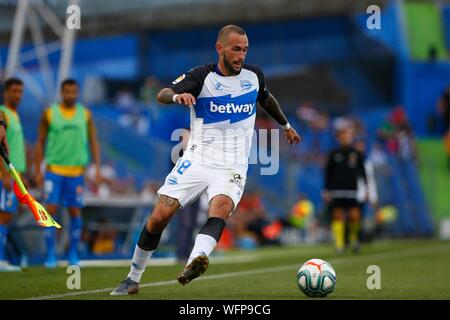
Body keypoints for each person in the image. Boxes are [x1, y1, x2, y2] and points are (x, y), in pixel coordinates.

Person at [111, 25, 301, 295]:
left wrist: (286, 126)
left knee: (220, 207)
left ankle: (195, 261)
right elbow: (162, 94)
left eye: (245, 49)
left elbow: (266, 99)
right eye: (236, 49)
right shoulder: (201, 76)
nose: (241, 55)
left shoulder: (254, 75)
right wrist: (178, 96)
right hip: (198, 159)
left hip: (232, 164)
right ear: (220, 48)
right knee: (160, 216)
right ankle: (133, 277)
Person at [35, 79, 101, 267]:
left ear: (77, 93)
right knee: (51, 211)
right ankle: (50, 254)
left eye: (74, 92)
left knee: (74, 211)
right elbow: (40, 141)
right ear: (61, 93)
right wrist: (37, 169)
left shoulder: (85, 114)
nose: (70, 95)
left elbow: (93, 140)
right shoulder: (49, 113)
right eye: (67, 92)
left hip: (76, 173)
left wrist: (96, 167)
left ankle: (73, 253)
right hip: (54, 170)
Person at [323, 120, 367, 254]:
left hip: (352, 189)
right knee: (337, 216)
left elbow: (362, 172)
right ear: (338, 137)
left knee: (354, 216)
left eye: (347, 135)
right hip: (337, 190)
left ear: (351, 136)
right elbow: (328, 173)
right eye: (342, 135)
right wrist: (326, 190)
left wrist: (366, 189)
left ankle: (354, 240)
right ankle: (340, 244)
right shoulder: (333, 154)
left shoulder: (356, 154)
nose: (345, 137)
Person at [0, 78, 25, 272]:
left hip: (14, 174)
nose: (17, 95)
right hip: (6, 174)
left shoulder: (14, 115)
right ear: (6, 92)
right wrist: (3, 174)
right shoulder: (3, 114)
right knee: (4, 215)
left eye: (20, 91)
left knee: (6, 216)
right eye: (14, 91)